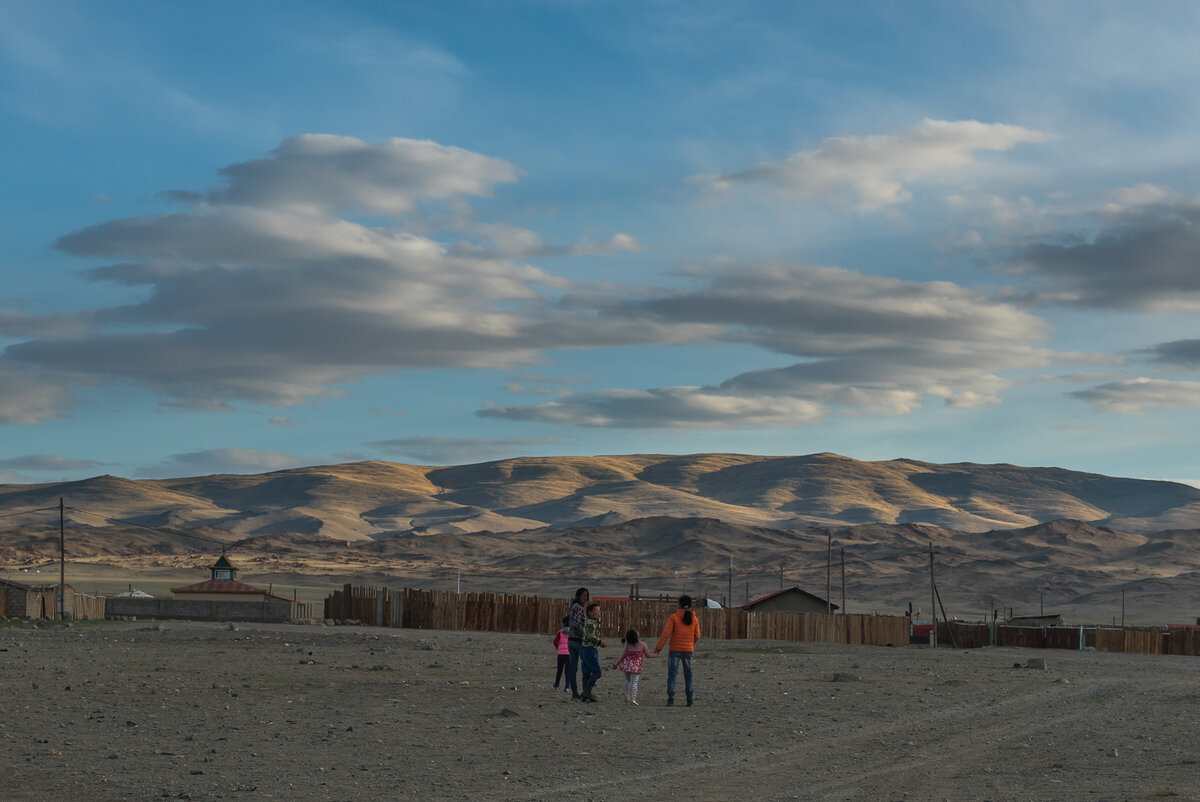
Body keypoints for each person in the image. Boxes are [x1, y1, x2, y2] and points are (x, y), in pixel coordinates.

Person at [655, 594, 701, 706]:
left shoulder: (674, 617)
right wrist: (691, 643)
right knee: (688, 674)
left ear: (679, 605)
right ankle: (689, 699)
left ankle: (671, 698)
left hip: (674, 650)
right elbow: (697, 635)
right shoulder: (694, 618)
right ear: (690, 605)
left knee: (672, 674)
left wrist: (658, 648)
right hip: (688, 650)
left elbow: (666, 634)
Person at [611, 628, 657, 705]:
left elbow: (622, 656)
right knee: (634, 682)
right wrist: (656, 654)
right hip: (636, 666)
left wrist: (616, 664)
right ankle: (633, 699)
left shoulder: (627, 645)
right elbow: (648, 655)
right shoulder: (642, 644)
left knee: (627, 681)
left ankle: (626, 696)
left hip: (626, 665)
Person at [579, 602, 606, 702]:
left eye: (599, 612)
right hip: (590, 650)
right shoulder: (592, 623)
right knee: (597, 672)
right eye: (596, 611)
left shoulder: (587, 622)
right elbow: (591, 636)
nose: (598, 614)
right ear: (590, 613)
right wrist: (600, 642)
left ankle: (585, 695)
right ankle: (587, 691)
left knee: (586, 672)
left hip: (583, 649)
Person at [566, 588, 589, 699]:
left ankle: (575, 692)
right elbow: (576, 624)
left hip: (571, 640)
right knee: (586, 665)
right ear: (578, 596)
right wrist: (585, 634)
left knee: (573, 668)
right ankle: (585, 691)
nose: (585, 598)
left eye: (586, 596)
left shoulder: (573, 607)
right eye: (583, 595)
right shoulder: (579, 608)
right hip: (578, 641)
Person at [552, 616, 570, 691]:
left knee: (559, 670)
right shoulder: (573, 632)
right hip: (569, 654)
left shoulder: (560, 632)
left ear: (564, 623)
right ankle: (567, 687)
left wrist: (558, 647)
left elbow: (555, 641)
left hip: (560, 653)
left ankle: (556, 684)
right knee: (568, 671)